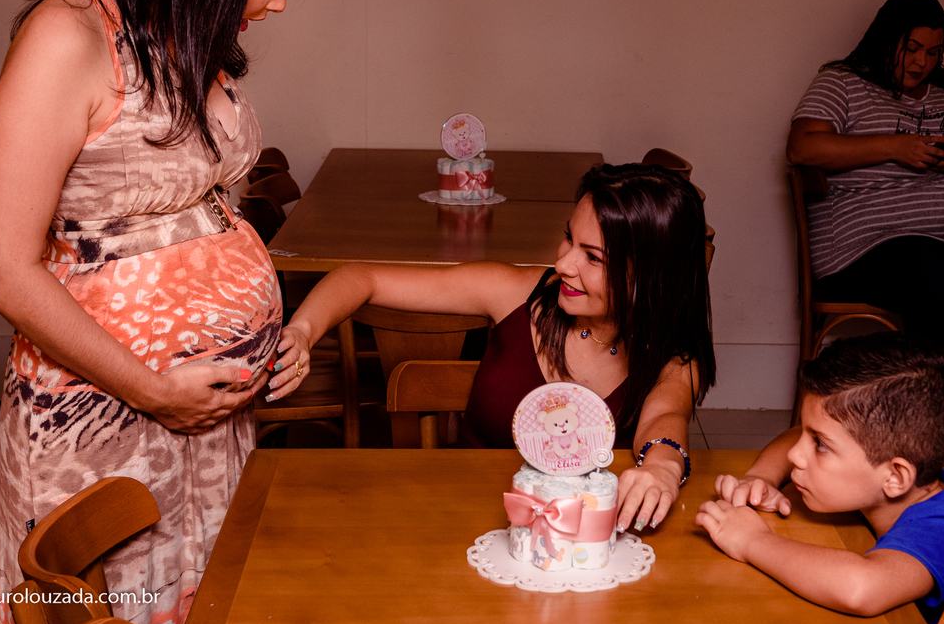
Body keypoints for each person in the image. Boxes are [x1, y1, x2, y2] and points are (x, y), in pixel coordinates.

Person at [0, 0, 326, 624]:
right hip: (104, 413)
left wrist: (269, 334)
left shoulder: (183, 34)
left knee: (206, 600)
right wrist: (149, 386)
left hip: (207, 422)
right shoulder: (69, 36)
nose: (279, 5)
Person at [278, 163, 716, 531]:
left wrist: (663, 467)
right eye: (569, 238)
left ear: (653, 278)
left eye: (593, 257)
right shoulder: (514, 293)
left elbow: (665, 417)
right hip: (458, 518)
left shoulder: (673, 358)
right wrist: (302, 329)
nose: (562, 263)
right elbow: (362, 278)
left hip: (577, 546)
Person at [696, 334, 944, 624]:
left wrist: (752, 541)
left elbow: (860, 587)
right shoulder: (912, 488)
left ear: (895, 476)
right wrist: (761, 478)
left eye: (819, 445)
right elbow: (791, 437)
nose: (795, 456)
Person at [787, 0, 944, 349]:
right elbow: (802, 147)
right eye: (911, 48)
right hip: (873, 241)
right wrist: (896, 147)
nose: (921, 62)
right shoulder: (841, 82)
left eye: (933, 52)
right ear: (886, 38)